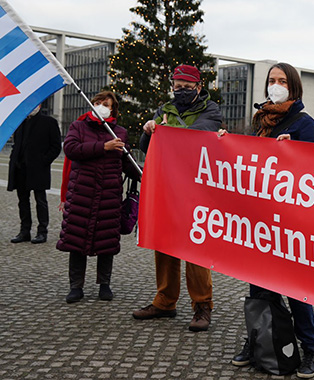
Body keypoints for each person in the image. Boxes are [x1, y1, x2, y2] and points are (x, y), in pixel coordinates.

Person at [228, 62, 314, 379]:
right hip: (262, 222)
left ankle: (310, 347)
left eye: (282, 81)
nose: (276, 85)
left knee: (296, 291)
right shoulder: (260, 121)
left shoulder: (305, 124)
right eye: (272, 80)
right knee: (259, 289)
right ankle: (257, 341)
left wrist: (291, 153)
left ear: (293, 87)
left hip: (293, 224)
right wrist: (224, 145)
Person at [132, 64, 222, 332]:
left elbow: (203, 133)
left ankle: (202, 304)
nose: (181, 91)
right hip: (167, 186)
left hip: (196, 188)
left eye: (187, 87)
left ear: (198, 86)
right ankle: (165, 300)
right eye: (177, 87)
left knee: (195, 246)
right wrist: (149, 129)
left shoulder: (210, 110)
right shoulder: (164, 111)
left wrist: (166, 129)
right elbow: (144, 146)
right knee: (165, 242)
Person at [57, 91, 140, 303]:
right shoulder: (79, 126)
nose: (101, 106)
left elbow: (127, 164)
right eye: (98, 102)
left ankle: (105, 285)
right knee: (76, 241)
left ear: (113, 109)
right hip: (81, 194)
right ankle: (76, 287)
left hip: (109, 196)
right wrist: (104, 147)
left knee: (107, 243)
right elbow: (71, 149)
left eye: (106, 104)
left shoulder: (119, 132)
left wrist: (146, 174)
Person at [7, 104, 61, 244]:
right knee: (23, 202)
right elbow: (16, 144)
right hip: (20, 168)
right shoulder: (20, 122)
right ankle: (24, 231)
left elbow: (56, 146)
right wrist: (14, 159)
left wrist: (44, 160)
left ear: (40, 105)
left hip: (38, 168)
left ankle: (42, 232)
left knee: (40, 200)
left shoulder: (49, 122)